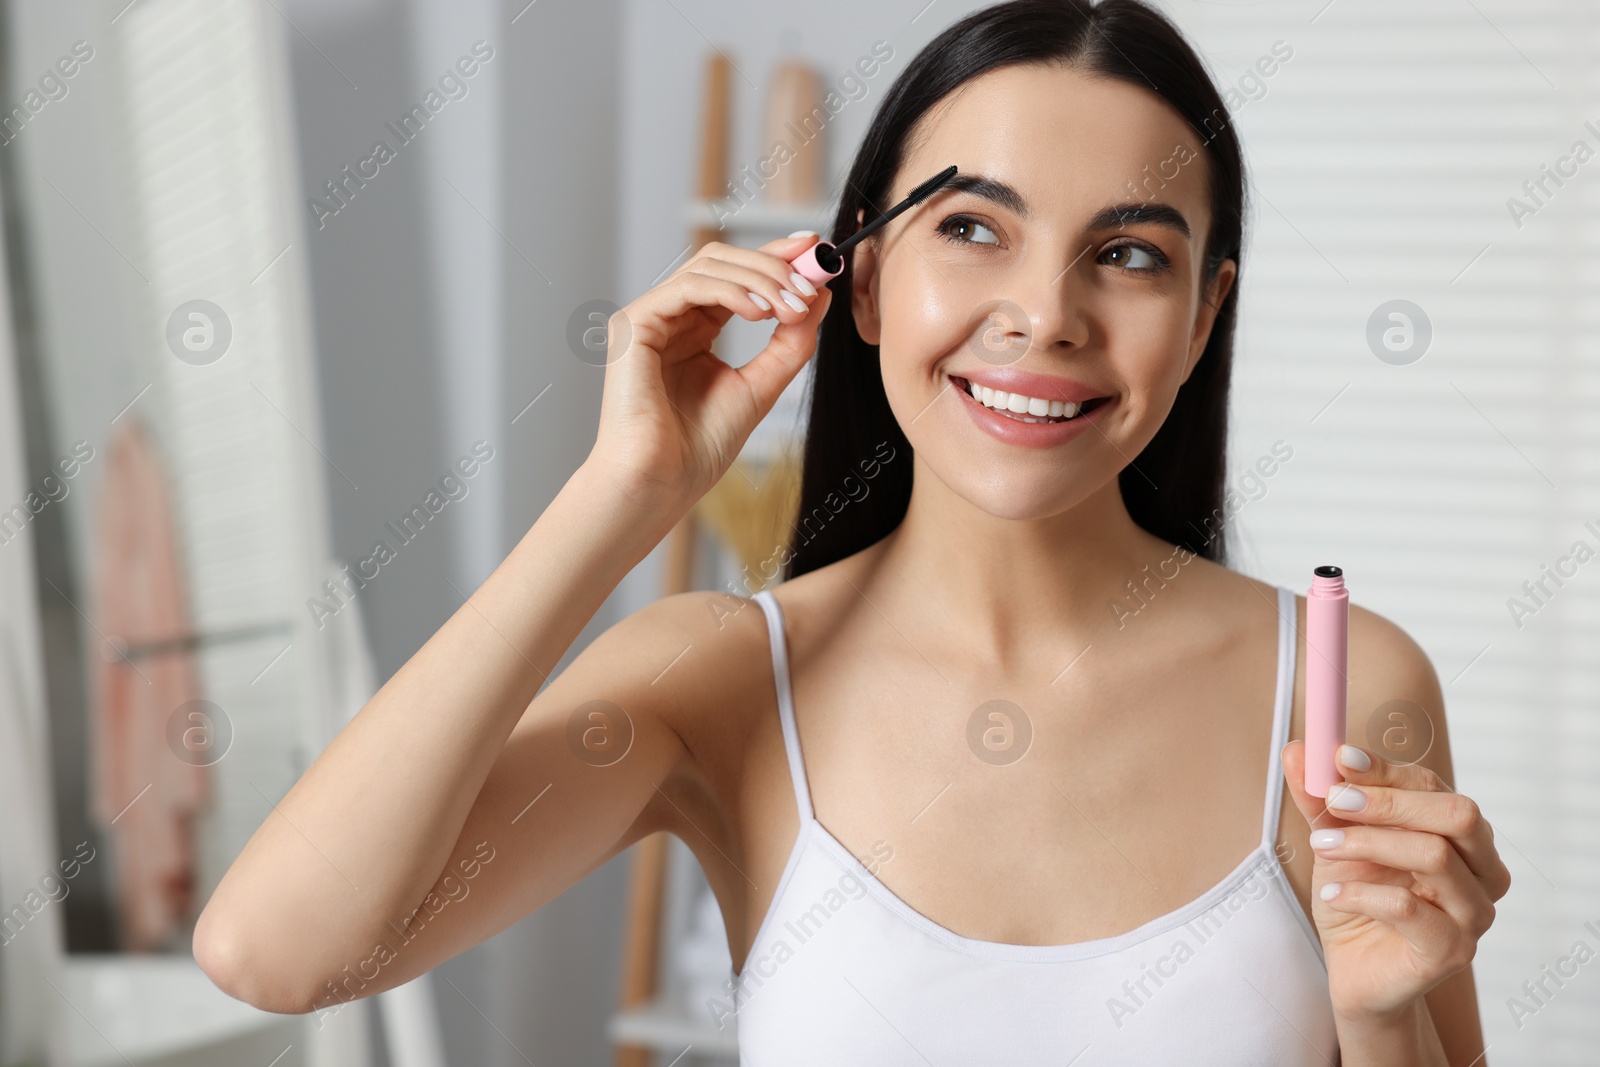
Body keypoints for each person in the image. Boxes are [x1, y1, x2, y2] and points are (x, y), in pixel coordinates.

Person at [195, 1, 1507, 1062]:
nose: (1045, 314)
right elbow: (277, 955)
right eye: (975, 228)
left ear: (1207, 314)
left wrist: (1383, 1014)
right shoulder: (714, 680)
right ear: (866, 280)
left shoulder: (1345, 693)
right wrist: (624, 495)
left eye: (1130, 254)